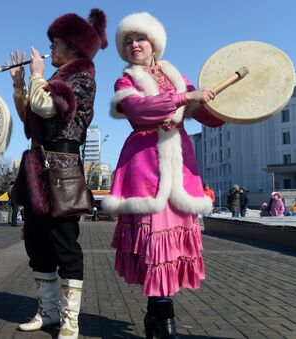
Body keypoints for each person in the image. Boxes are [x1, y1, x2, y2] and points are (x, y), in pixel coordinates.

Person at [101, 12, 225, 338]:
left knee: (171, 246)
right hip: (144, 166)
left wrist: (222, 105)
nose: (133, 45)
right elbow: (141, 111)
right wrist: (186, 97)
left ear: (154, 43)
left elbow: (205, 114)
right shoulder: (125, 80)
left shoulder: (175, 74)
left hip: (180, 166)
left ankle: (157, 314)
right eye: (127, 41)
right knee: (155, 242)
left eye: (139, 38)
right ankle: (164, 315)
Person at [6, 9, 107, 339]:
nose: (49, 49)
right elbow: (30, 118)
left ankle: (69, 319)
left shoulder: (81, 78)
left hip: (61, 168)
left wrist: (36, 75)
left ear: (74, 46)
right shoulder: (56, 79)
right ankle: (48, 311)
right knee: (36, 242)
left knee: (66, 245)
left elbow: (48, 107)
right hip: (37, 168)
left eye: (55, 42)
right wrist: (21, 86)